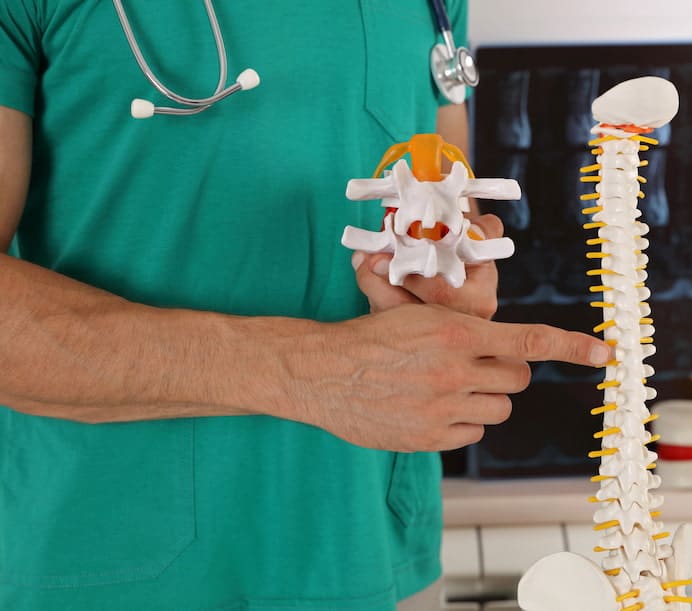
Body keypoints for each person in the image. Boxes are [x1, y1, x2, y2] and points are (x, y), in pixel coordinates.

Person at [0, 2, 611, 610]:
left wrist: (449, 281)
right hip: (109, 562)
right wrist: (312, 372)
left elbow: (446, 182)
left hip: (378, 552)